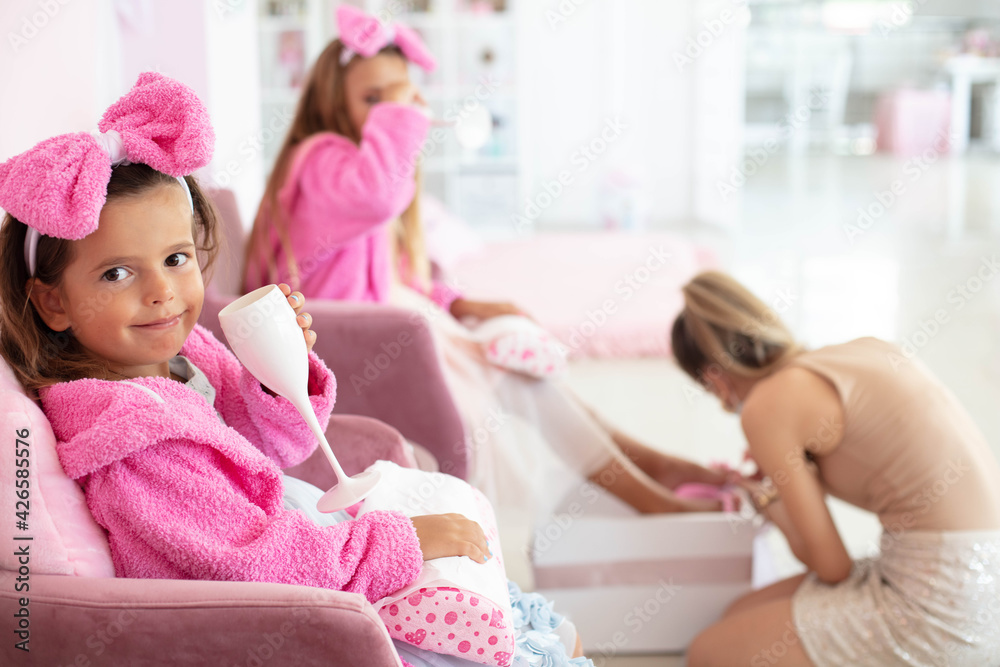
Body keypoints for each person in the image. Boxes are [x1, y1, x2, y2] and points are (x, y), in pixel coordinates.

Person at [0, 72, 590, 667]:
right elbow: (245, 563)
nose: (163, 293)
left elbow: (274, 447)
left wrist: (274, 379)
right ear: (52, 301)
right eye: (117, 274)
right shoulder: (133, 440)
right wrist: (398, 544)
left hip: (315, 562)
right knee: (530, 645)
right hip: (285, 620)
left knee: (543, 628)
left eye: (176, 259)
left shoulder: (182, 360)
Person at [244, 5, 730, 522]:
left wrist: (461, 302)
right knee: (521, 377)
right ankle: (646, 492)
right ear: (331, 103)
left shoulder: (353, 163)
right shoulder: (323, 159)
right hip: (344, 346)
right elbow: (378, 195)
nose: (391, 111)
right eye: (372, 99)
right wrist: (401, 117)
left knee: (526, 356)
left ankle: (647, 464)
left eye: (400, 95)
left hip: (383, 324)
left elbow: (393, 273)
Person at [670, 271, 1000, 667]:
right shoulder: (862, 350)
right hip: (978, 582)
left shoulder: (765, 407)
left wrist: (771, 500)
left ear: (715, 379)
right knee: (736, 616)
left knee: (707, 653)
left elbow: (833, 569)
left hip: (942, 604)